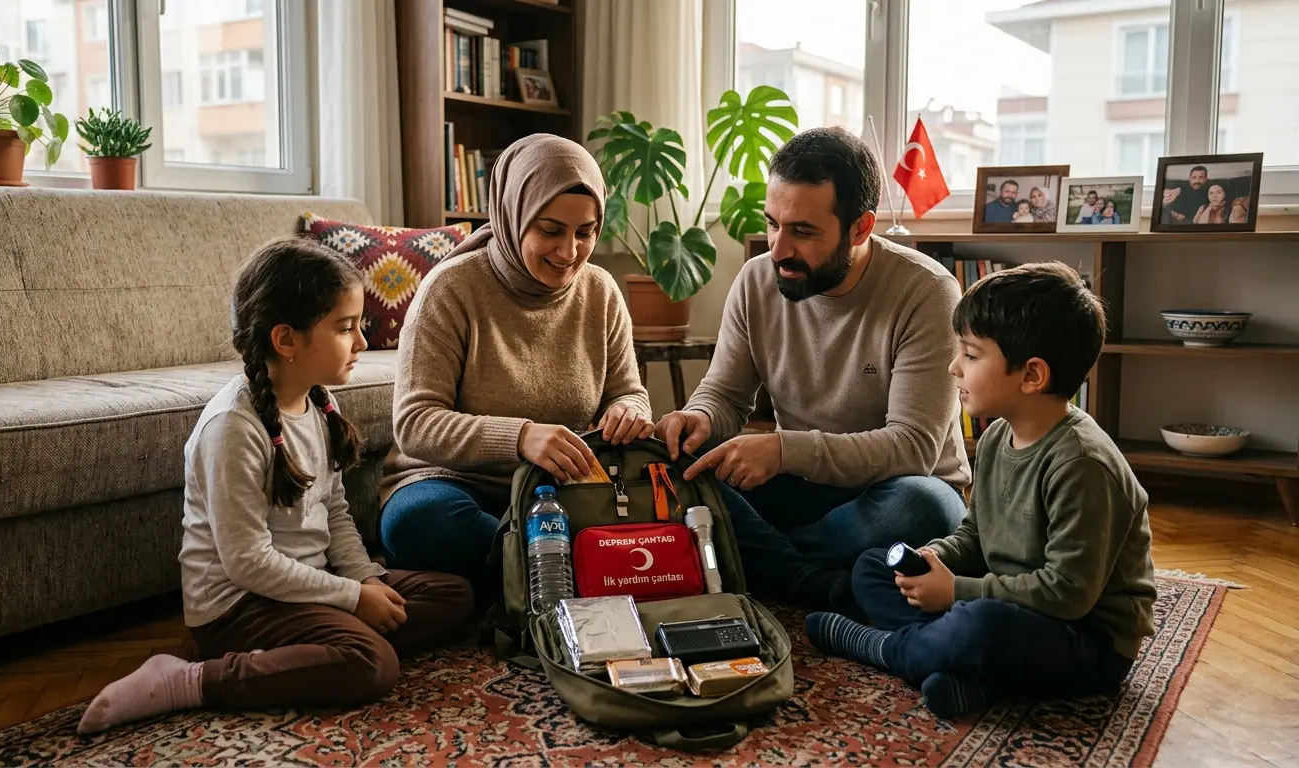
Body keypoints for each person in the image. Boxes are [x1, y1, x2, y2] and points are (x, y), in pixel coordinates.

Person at [77, 237, 475, 735]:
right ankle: (191, 679)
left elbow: (335, 515)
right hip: (238, 608)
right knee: (372, 663)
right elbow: (246, 563)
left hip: (307, 586)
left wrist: (366, 581)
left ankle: (316, 653)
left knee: (455, 595)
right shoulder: (233, 428)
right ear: (286, 340)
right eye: (345, 328)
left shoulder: (316, 404)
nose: (362, 343)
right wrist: (351, 598)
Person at [806, 262, 1156, 720]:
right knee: (874, 566)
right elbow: (975, 534)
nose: (954, 367)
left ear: (1032, 376)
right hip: (1004, 604)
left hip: (1083, 639)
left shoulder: (1082, 465)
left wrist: (957, 593)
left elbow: (1069, 593)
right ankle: (968, 674)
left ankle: (890, 650)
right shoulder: (995, 437)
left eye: (971, 355)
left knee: (982, 626)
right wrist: (936, 559)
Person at [655, 126, 969, 612]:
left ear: (861, 228)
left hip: (889, 491)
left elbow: (913, 448)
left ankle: (759, 560)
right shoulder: (758, 279)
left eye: (802, 232)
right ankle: (813, 576)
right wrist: (697, 418)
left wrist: (783, 451)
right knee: (681, 470)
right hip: (802, 490)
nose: (778, 249)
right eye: (773, 224)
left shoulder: (926, 293)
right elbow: (725, 394)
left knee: (925, 509)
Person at [378, 133, 652, 601]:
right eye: (549, 230)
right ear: (512, 215)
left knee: (695, 493)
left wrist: (627, 410)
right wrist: (521, 437)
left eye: (585, 232)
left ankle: (526, 580)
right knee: (419, 523)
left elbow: (629, 392)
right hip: (451, 483)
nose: (569, 252)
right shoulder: (451, 289)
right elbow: (415, 425)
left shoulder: (601, 292)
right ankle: (579, 571)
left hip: (556, 490)